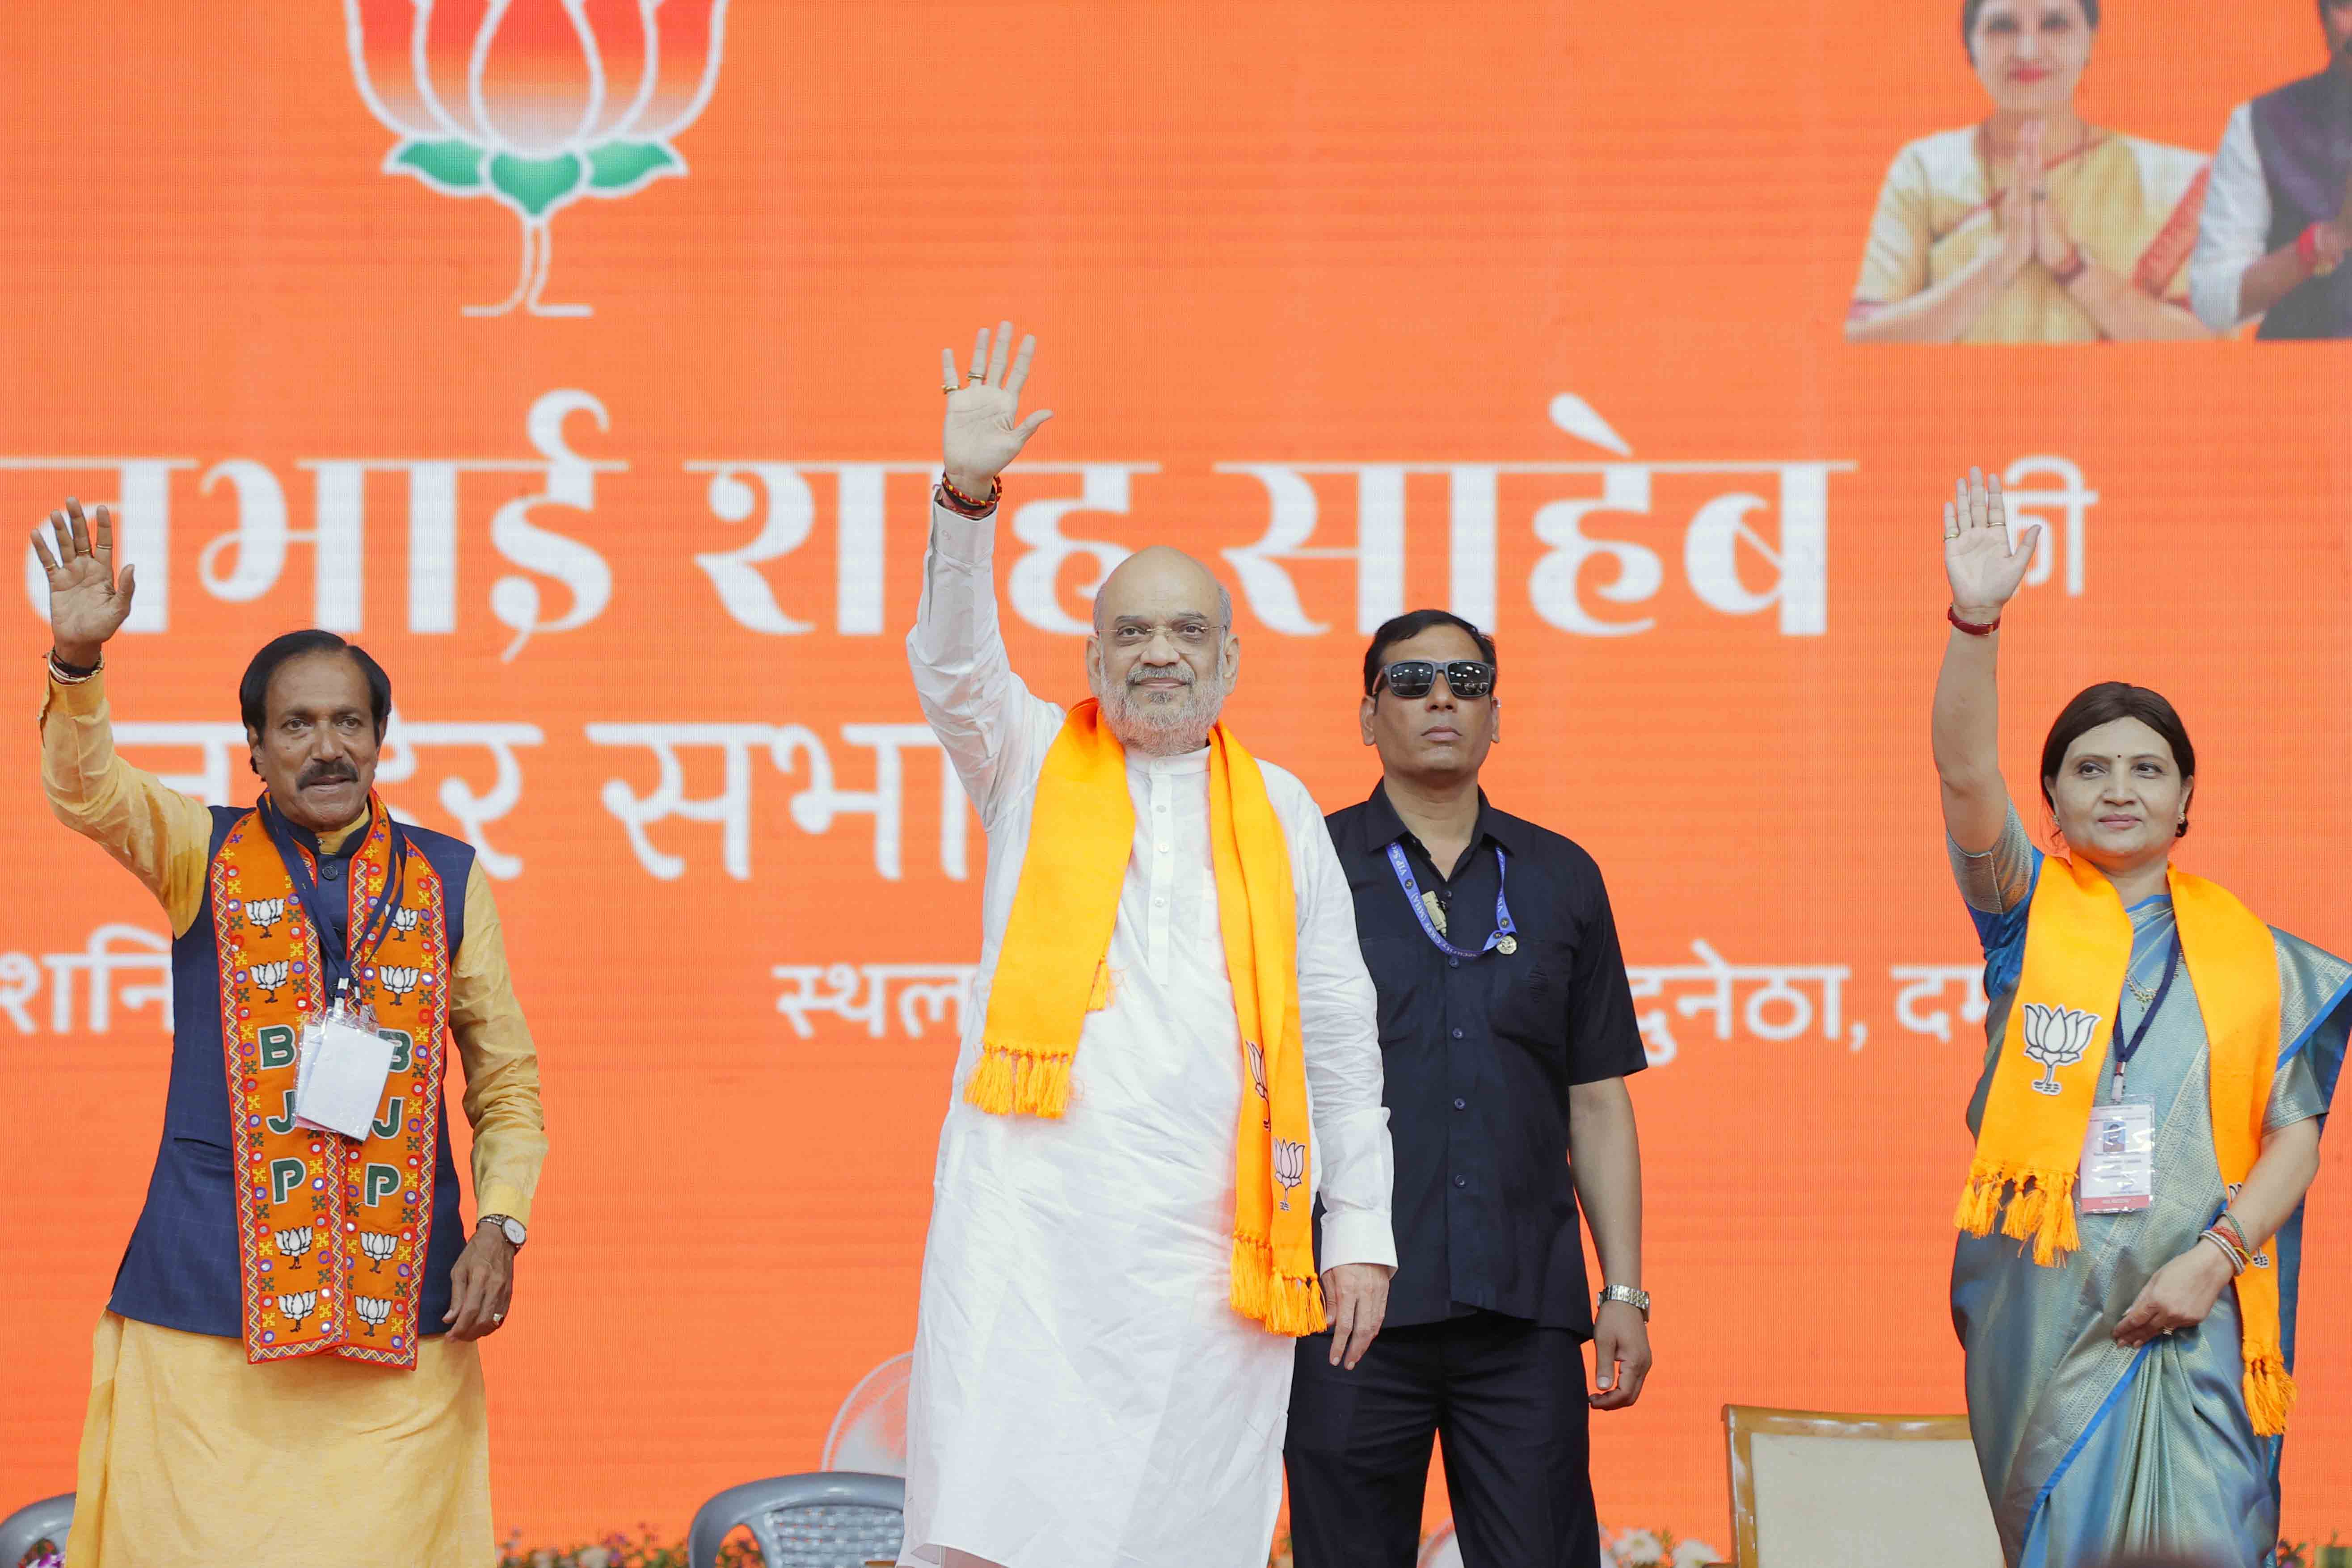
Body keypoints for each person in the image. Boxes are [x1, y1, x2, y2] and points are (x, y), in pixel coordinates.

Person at [895, 324, 1395, 1568]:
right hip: (1028, 1227)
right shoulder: (1024, 760)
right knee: (992, 1522)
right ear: (1091, 658)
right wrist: (965, 501)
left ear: (1229, 657)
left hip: (1204, 1247)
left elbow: (1334, 1031)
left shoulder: (1278, 808)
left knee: (1180, 1531)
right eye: (1129, 633)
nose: (1157, 653)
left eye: (1184, 632)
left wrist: (1361, 1230)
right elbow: (952, 663)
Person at [32, 500, 548, 1568]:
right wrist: (77, 661)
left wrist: (500, 1224)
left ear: (380, 739)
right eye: (299, 725)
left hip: (404, 1307)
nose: (327, 748)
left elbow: (505, 1083)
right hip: (204, 1301)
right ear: (256, 748)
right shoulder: (196, 852)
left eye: (349, 723)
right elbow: (88, 793)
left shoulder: (446, 878)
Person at [1932, 471, 2347, 1567]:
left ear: (2184, 798)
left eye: (2144, 768)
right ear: (2052, 801)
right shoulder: (2023, 918)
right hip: (2046, 1309)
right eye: (2088, 769)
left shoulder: (2263, 961)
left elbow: (2294, 1135)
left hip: (2202, 1303)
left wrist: (2213, 1257)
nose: (2117, 788)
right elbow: (1961, 771)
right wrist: (1975, 620)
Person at [1285, 610, 1650, 1568]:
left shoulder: (1563, 876)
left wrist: (1625, 1290)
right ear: (1368, 716)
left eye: (1465, 679)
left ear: (1497, 713)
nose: (1440, 697)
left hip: (1521, 1312)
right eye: (1410, 681)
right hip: (1347, 1307)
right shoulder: (1305, 870)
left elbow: (1598, 1097)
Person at [1846, 0, 2213, 342]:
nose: (2027, 51)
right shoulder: (1926, 169)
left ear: (2091, 40)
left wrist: (2072, 267)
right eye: (2002, 27)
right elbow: (1865, 338)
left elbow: (2209, 350)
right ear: (1970, 46)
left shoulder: (2172, 178)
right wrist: (1998, 262)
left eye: (2054, 24)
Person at [2187, 0, 2352, 338]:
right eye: (2345, 5)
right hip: (2305, 383)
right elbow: (2214, 299)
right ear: (2321, 18)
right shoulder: (2262, 122)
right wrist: (2326, 241)